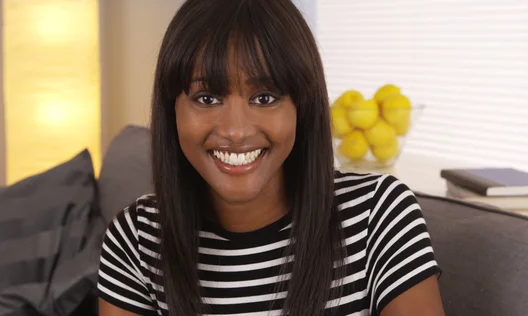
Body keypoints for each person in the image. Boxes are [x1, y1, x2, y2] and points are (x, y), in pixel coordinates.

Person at [96, 0, 445, 315]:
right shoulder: (136, 240)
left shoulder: (378, 215)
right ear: (171, 109)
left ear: (302, 107)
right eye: (206, 98)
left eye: (264, 98)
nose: (235, 130)